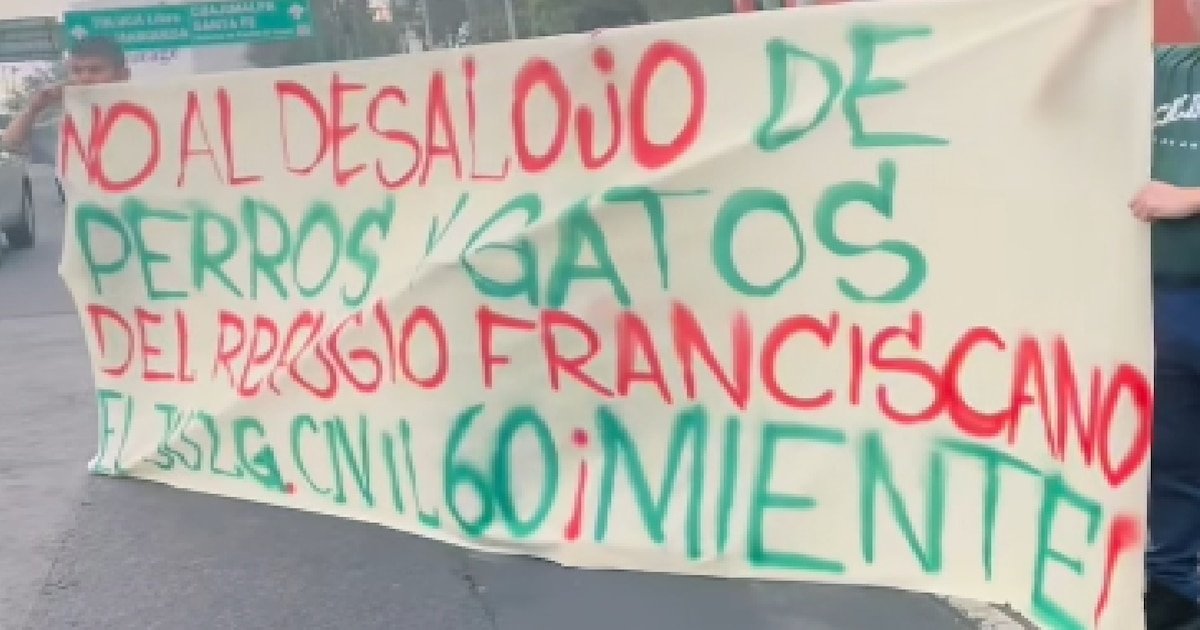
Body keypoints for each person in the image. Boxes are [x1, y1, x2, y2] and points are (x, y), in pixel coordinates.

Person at [1132, 1, 1200, 628]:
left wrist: (1191, 198)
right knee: (1173, 462)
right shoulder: (1166, 68)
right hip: (1168, 298)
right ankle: (1173, 592)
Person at [0, 35, 130, 155]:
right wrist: (34, 107)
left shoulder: (139, 119)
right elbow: (9, 143)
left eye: (95, 70)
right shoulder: (63, 128)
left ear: (123, 75)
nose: (85, 78)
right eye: (76, 71)